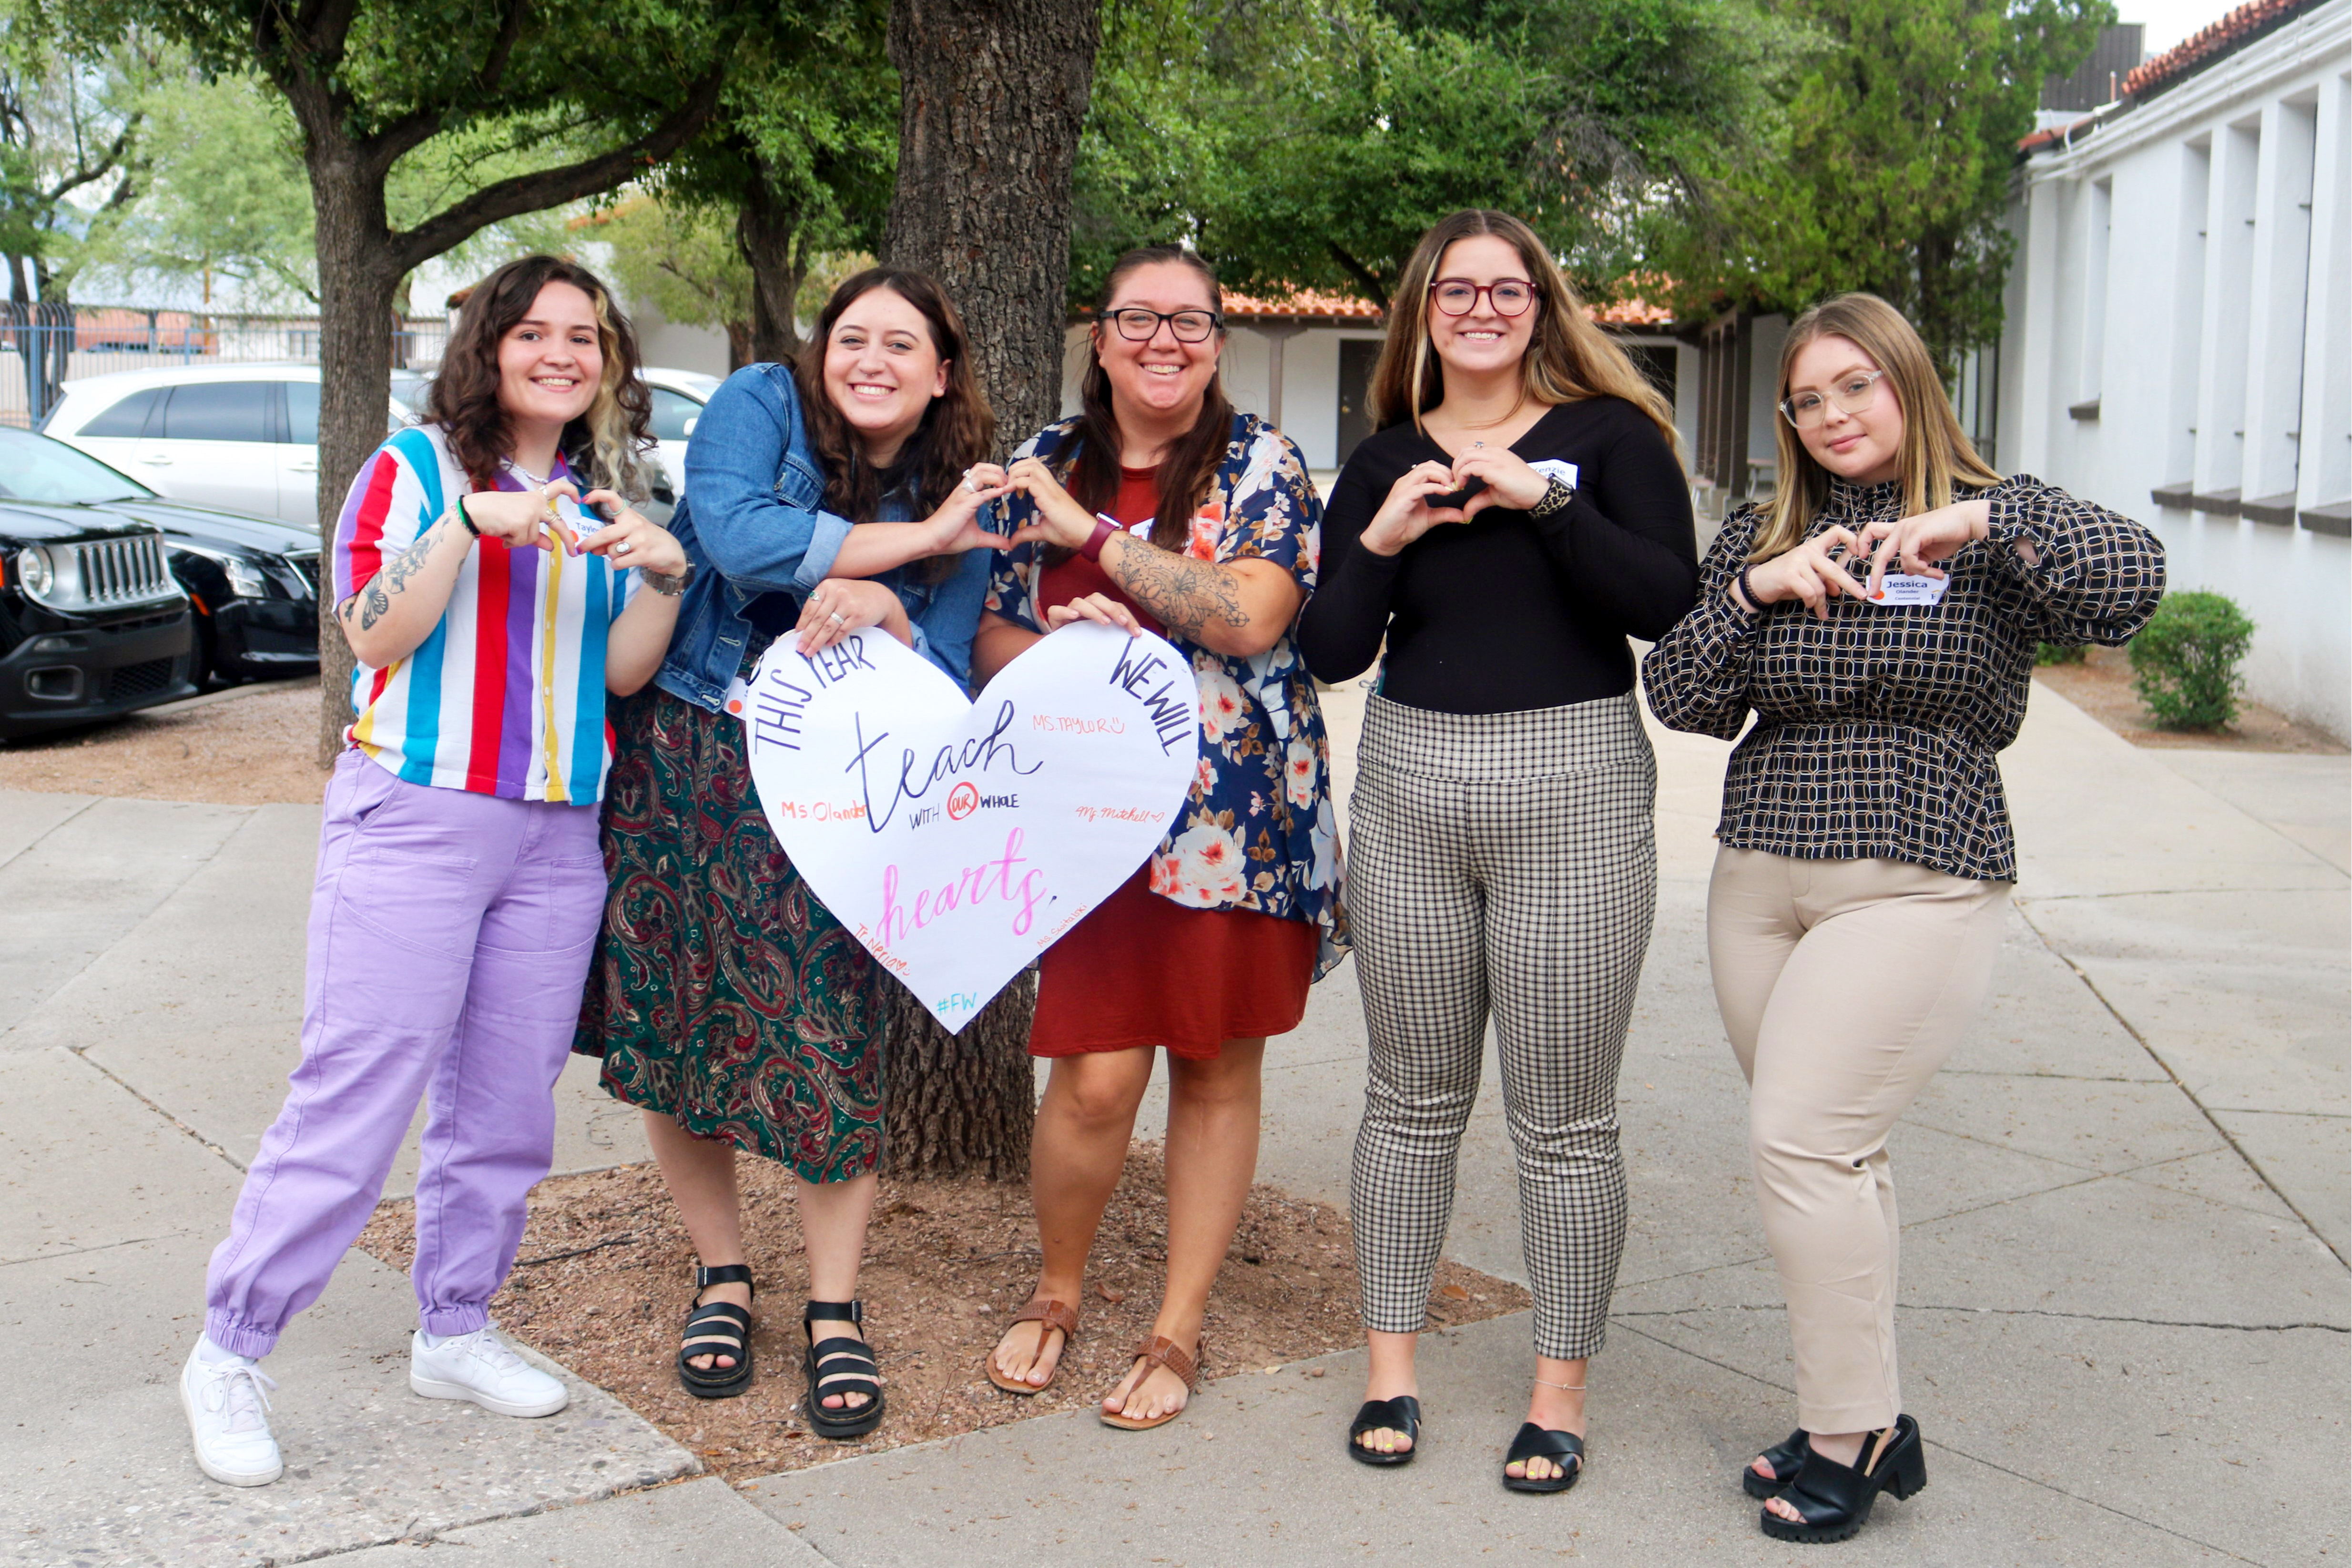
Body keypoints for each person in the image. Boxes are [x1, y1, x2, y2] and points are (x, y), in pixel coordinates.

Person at [1642, 292, 2164, 1543]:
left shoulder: (1995, 522)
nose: (1830, 414)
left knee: (1802, 1143)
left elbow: (2132, 582)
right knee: (1836, 1159)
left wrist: (1974, 518)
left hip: (1917, 867)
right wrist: (1761, 587)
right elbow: (1677, 691)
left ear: (1905, 385)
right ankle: (1863, 1408)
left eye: (1853, 387)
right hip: (1758, 878)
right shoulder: (1765, 534)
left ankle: (1846, 1435)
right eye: (1806, 398)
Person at [181, 255, 691, 1487]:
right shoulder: (410, 470)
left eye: (587, 337)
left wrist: (665, 574)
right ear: (492, 347)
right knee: (357, 1088)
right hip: (415, 815)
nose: (563, 354)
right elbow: (370, 632)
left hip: (556, 832)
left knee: (507, 1106)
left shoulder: (598, 494)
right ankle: (230, 1350)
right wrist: (467, 521)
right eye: (537, 333)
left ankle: (455, 1326)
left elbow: (619, 673)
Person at [573, 267, 1015, 1442]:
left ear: (941, 373)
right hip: (697, 749)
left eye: (901, 344)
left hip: (839, 800)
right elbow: (737, 534)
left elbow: (954, 680)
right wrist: (907, 547)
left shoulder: (959, 493)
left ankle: (833, 1304)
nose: (870, 360)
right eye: (852, 337)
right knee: (673, 1025)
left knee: (828, 1041)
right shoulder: (762, 402)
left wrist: (899, 614)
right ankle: (722, 1275)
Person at [1296, 208, 1697, 1491]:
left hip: (1573, 782)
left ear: (1540, 303)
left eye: (1505, 288)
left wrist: (1541, 502)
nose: (1480, 307)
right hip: (1410, 780)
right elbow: (1329, 650)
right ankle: (1389, 1370)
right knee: (1406, 1101)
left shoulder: (1607, 439)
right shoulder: (1382, 460)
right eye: (1455, 290)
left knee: (1563, 1118)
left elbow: (1664, 603)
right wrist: (1382, 538)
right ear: (1421, 309)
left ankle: (1556, 1392)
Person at [978, 244, 1344, 1432]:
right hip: (1084, 816)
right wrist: (1078, 657)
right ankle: (1058, 1286)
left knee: (1216, 1060)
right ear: (1100, 336)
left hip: (1231, 817)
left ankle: (1177, 1322)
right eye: (1138, 318)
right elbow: (988, 637)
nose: (1163, 342)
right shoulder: (1042, 459)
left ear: (1219, 342)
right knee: (1090, 1076)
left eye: (1189, 322)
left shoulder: (1261, 462)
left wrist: (1097, 542)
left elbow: (1247, 614)